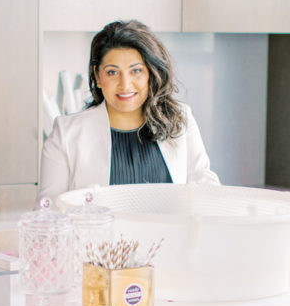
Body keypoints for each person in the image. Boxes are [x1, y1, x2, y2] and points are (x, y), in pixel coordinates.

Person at [38, 19, 219, 200]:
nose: (125, 84)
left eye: (136, 71)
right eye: (112, 72)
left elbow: (207, 191)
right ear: (97, 76)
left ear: (151, 73)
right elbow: (48, 208)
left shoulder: (180, 118)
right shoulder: (66, 133)